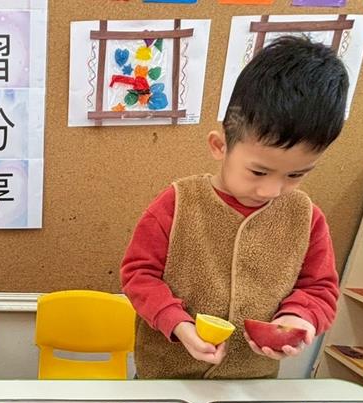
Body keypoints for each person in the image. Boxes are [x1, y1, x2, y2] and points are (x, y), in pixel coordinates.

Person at [121, 36, 347, 379]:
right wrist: (177, 323)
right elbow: (139, 275)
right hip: (166, 376)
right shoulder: (178, 202)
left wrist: (299, 317)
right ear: (220, 146)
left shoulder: (306, 218)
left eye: (295, 175)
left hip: (251, 382)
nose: (271, 190)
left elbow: (320, 289)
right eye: (258, 171)